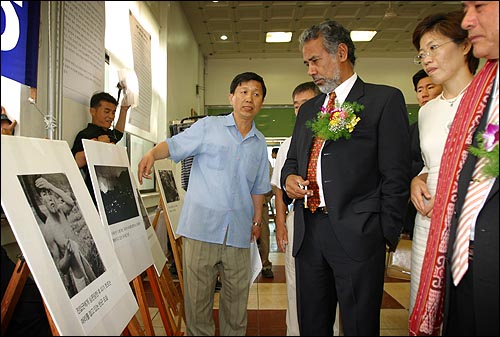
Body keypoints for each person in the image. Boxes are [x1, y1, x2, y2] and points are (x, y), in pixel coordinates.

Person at [281, 20, 411, 335]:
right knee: (312, 323)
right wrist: (288, 179)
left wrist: (384, 233)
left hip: (360, 234)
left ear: (341, 52)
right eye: (306, 63)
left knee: (358, 325)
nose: (310, 70)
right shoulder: (310, 109)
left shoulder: (383, 100)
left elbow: (396, 173)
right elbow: (293, 160)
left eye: (315, 60)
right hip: (309, 234)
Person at [137, 72, 271, 336]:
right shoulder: (209, 126)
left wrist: (257, 221)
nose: (249, 99)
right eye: (243, 92)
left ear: (262, 102)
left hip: (239, 234)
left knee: (236, 306)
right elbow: (174, 146)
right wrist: (152, 153)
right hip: (201, 231)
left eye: (256, 94)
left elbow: (258, 187)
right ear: (231, 97)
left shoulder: (259, 143)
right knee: (197, 306)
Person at [410, 2, 499, 336]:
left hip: (469, 228)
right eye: (421, 54)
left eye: (434, 47)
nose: (427, 59)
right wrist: (416, 179)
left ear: (465, 46)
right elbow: (430, 163)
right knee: (427, 308)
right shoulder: (426, 112)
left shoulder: (486, 99)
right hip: (428, 224)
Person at [272, 81, 321, 335]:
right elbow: (279, 189)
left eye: (306, 104)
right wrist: (280, 226)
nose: (300, 110)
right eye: (296, 106)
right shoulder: (288, 144)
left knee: (327, 286)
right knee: (295, 282)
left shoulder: (329, 138)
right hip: (298, 218)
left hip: (328, 220)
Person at [35, 176, 97, 297]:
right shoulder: (49, 230)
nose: (49, 197)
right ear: (41, 200)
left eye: (49, 193)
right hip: (79, 280)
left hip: (87, 268)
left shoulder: (61, 211)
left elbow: (70, 202)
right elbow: (61, 268)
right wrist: (68, 255)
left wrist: (50, 186)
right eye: (44, 194)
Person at [403, 70, 443, 239]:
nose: (424, 94)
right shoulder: (411, 130)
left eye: (430, 87)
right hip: (416, 203)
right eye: (419, 90)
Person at [71, 91, 130, 205]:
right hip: (94, 195)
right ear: (93, 111)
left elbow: (118, 134)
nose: (111, 117)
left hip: (112, 191)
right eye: (106, 111)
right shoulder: (85, 134)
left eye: (113, 113)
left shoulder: (107, 133)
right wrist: (97, 144)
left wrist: (123, 110)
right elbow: (75, 162)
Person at [259, 160, 275, 278]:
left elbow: (271, 183)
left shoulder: (263, 161)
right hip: (239, 205)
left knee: (264, 235)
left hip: (261, 203)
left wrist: (264, 198)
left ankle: (265, 264)